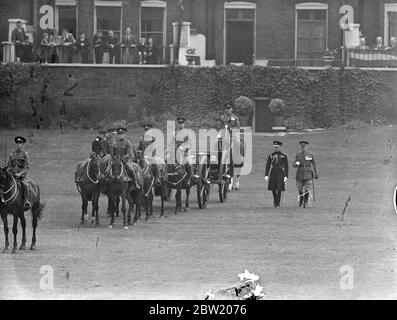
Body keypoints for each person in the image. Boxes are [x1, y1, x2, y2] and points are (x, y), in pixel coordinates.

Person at [168, 117, 194, 186]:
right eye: (179, 123)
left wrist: (183, 147)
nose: (180, 125)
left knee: (188, 164)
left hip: (185, 152)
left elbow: (190, 144)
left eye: (182, 123)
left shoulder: (188, 132)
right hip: (175, 152)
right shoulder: (175, 132)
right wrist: (170, 148)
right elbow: (171, 143)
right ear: (177, 124)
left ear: (184, 124)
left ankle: (189, 179)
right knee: (166, 160)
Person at [6, 136, 31, 210]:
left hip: (21, 176)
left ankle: (26, 201)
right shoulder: (12, 154)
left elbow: (26, 167)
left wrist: (20, 174)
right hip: (12, 175)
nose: (18, 144)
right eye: (17, 143)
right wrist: (8, 171)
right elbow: (9, 165)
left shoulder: (24, 154)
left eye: (20, 143)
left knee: (25, 185)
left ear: (23, 144)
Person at [292, 141, 319, 208]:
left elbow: (314, 164)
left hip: (308, 174)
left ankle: (306, 202)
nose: (303, 148)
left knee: (307, 189)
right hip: (300, 174)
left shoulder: (310, 154)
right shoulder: (298, 155)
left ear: (306, 147)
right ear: (300, 147)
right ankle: (301, 199)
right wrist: (296, 164)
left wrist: (316, 173)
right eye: (302, 146)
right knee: (300, 189)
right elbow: (294, 165)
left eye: (304, 146)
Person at [264, 141, 288, 208]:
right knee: (273, 188)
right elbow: (268, 165)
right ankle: (275, 200)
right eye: (275, 147)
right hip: (273, 172)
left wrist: (286, 176)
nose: (276, 148)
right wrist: (266, 175)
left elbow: (286, 167)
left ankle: (278, 203)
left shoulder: (284, 156)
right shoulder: (271, 155)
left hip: (280, 172)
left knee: (279, 188)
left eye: (277, 147)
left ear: (280, 147)